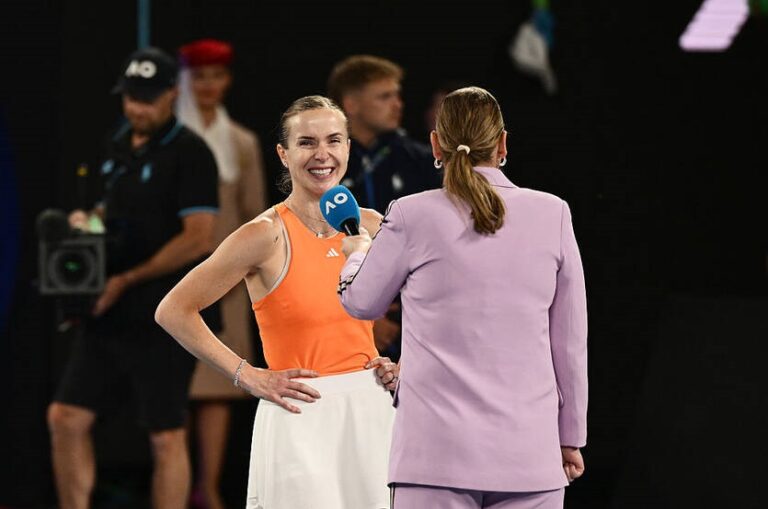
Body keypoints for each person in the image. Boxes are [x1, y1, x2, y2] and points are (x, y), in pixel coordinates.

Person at [338, 86, 588, 509]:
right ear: (502, 144)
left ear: (436, 145)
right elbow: (570, 344)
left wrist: (357, 254)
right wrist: (570, 437)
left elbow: (361, 302)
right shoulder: (553, 213)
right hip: (530, 456)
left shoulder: (410, 214)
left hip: (433, 459)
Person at [155, 95, 396, 509]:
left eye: (333, 140)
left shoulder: (373, 225)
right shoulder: (263, 234)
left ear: (347, 147)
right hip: (300, 416)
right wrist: (247, 376)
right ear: (283, 154)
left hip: (370, 410)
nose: (322, 154)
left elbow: (436, 301)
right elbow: (174, 310)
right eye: (307, 142)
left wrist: (406, 364)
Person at [46, 47, 221, 509]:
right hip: (109, 311)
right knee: (65, 416)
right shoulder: (117, 144)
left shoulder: (191, 153)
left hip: (166, 315)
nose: (137, 108)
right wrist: (89, 221)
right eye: (130, 98)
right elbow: (112, 212)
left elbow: (199, 238)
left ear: (171, 94)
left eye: (147, 98)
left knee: (166, 433)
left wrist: (126, 279)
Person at [176, 37, 268, 509]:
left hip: (228, 280)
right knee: (173, 387)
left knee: (219, 385)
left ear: (228, 81)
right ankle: (176, 486)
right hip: (175, 276)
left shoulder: (241, 142)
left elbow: (256, 214)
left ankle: (207, 488)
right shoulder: (172, 136)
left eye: (216, 76)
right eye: (199, 77)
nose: (208, 86)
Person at [327, 54, 441, 359]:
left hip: (416, 316)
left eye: (397, 95)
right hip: (337, 315)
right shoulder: (322, 166)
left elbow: (437, 241)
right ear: (351, 104)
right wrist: (366, 316)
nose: (398, 104)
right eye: (384, 96)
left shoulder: (423, 162)